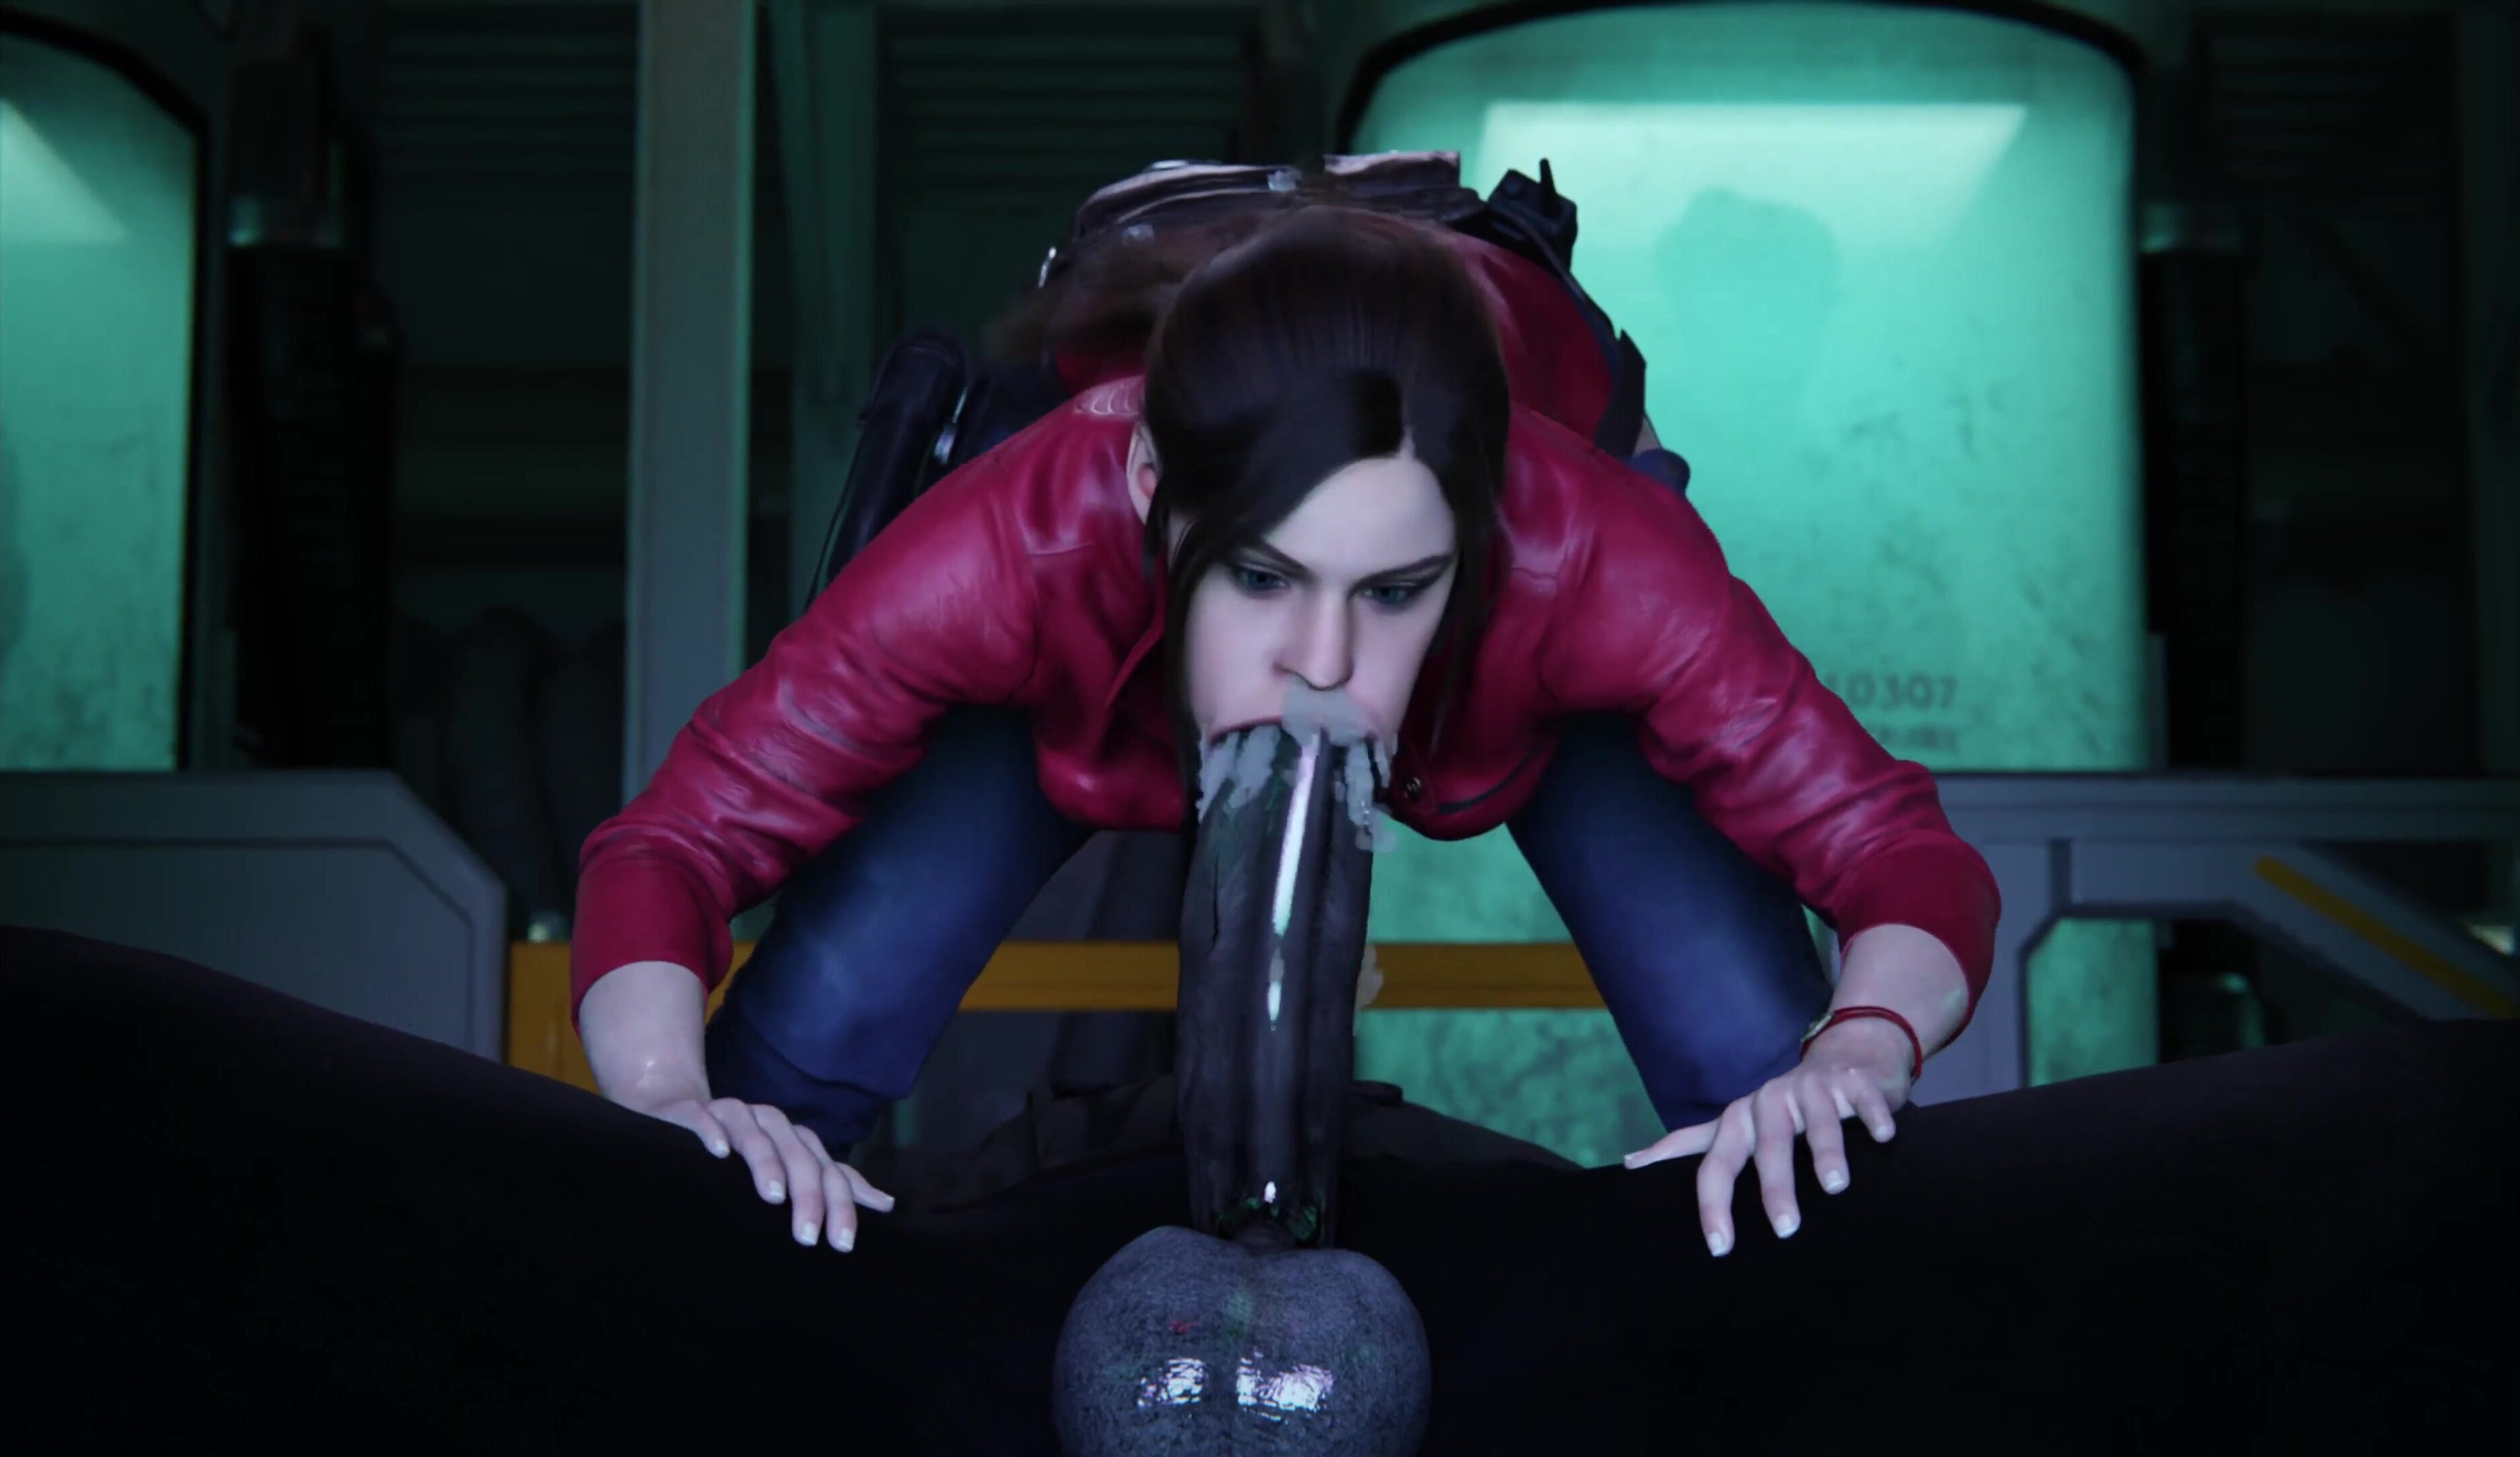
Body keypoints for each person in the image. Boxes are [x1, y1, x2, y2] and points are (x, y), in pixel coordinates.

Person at [571, 186, 2001, 1263]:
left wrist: (1860, 1049)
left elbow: (1901, 856)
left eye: (1393, 589)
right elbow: (669, 846)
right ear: (1150, 490)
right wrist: (666, 1100)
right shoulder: (1009, 551)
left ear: (1478, 531)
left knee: (1779, 1094)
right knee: (772, 1077)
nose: (1322, 663)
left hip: (1526, 662)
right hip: (1084, 662)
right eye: (1260, 576)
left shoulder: (1595, 560)